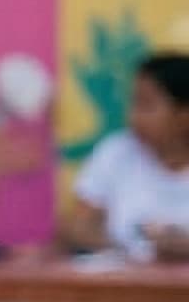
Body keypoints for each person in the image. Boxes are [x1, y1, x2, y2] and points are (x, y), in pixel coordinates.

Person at [63, 53, 189, 263]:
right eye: (134, 103)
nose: (133, 116)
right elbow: (78, 229)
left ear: (184, 116)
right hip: (126, 285)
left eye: (147, 105)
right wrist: (136, 249)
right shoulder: (116, 153)